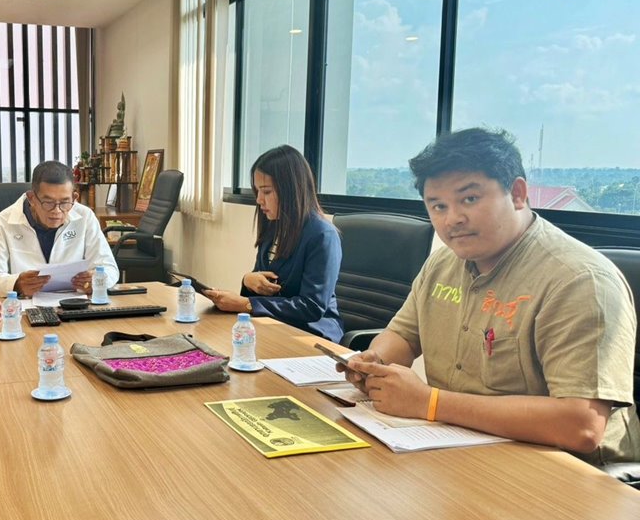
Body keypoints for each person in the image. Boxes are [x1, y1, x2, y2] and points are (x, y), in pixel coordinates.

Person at [341, 128, 639, 465]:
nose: (452, 219)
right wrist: (376, 363)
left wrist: (430, 403)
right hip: (463, 445)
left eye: (469, 199)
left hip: (569, 468)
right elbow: (404, 335)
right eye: (438, 206)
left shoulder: (578, 280)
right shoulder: (443, 263)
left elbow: (581, 426)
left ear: (517, 194)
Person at [205, 145, 344, 342]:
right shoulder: (274, 226)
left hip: (312, 334)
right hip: (274, 326)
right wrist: (248, 280)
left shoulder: (322, 235)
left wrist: (247, 304)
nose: (259, 200)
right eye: (257, 191)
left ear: (291, 190)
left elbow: (311, 307)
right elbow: (265, 284)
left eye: (267, 192)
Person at [0, 160, 119, 297]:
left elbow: (110, 268)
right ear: (31, 198)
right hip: (24, 307)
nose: (57, 211)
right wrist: (16, 284)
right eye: (48, 202)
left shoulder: (85, 217)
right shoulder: (4, 222)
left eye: (64, 202)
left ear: (74, 197)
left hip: (74, 305)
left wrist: (98, 280)